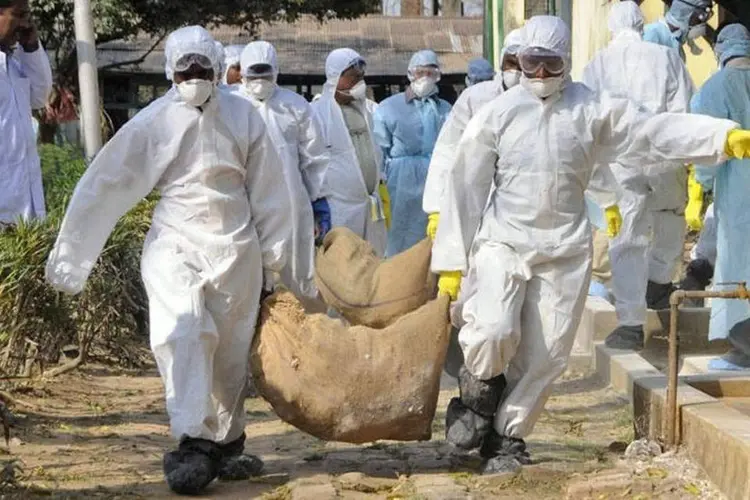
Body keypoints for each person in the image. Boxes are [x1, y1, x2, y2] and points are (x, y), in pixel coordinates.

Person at [432, 15, 750, 474]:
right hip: (504, 242)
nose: (539, 74)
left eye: (549, 63)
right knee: (493, 330)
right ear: (519, 62)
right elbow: (466, 185)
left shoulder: (592, 108)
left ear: (565, 61)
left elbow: (651, 131)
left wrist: (718, 136)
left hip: (564, 250)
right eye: (531, 63)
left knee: (547, 354)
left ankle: (507, 438)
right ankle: (478, 397)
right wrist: (451, 261)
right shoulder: (497, 115)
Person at [45, 26, 294, 495]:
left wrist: (275, 265)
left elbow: (271, 195)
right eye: (186, 70)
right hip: (175, 242)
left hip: (237, 248)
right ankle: (192, 441)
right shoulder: (153, 123)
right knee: (184, 332)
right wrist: (71, 260)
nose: (195, 76)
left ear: (219, 69)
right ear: (171, 73)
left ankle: (225, 442)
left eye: (203, 69)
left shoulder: (246, 118)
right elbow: (106, 186)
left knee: (230, 351)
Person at [583, 1, 696, 350]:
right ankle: (659, 281)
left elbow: (588, 117)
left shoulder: (597, 64)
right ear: (641, 24)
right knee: (670, 218)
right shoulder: (666, 57)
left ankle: (631, 324)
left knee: (627, 239)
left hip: (621, 158)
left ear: (612, 27)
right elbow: (684, 109)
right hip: (662, 152)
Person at [234, 41, 329, 299]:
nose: (260, 81)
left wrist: (317, 199)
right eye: (254, 75)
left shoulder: (295, 105)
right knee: (248, 277)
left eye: (266, 74)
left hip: (290, 205)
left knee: (293, 277)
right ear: (242, 73)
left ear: (276, 72)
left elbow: (314, 157)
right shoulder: (230, 105)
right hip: (245, 203)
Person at [689, 23, 750, 370]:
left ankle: (744, 350)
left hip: (739, 194)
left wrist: (701, 186)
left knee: (739, 268)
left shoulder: (715, 88)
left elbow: (706, 144)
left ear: (720, 51)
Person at [423, 28, 524, 229]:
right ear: (501, 62)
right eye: (511, 63)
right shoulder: (475, 98)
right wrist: (436, 206)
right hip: (476, 197)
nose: (516, 71)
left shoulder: (546, 103)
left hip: (524, 203)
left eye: (523, 64)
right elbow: (447, 149)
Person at [311, 48, 389, 256]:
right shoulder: (316, 114)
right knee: (343, 268)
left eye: (361, 78)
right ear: (336, 77)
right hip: (339, 210)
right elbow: (310, 164)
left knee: (372, 265)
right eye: (353, 78)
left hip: (370, 207)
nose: (359, 84)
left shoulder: (365, 110)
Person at [373, 50, 451, 256]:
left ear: (438, 76)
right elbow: (378, 149)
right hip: (400, 181)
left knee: (433, 232)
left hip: (436, 176)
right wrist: (379, 182)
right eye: (420, 72)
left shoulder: (446, 109)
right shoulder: (389, 107)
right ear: (410, 74)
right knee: (399, 232)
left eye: (430, 73)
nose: (425, 77)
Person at [0, 0, 52, 225]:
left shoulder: (12, 66)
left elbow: (40, 96)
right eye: (18, 15)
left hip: (25, 215)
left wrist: (31, 47)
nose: (24, 24)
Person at [643, 0, 713, 60]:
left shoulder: (678, 48)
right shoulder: (651, 34)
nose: (701, 24)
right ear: (686, 13)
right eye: (699, 20)